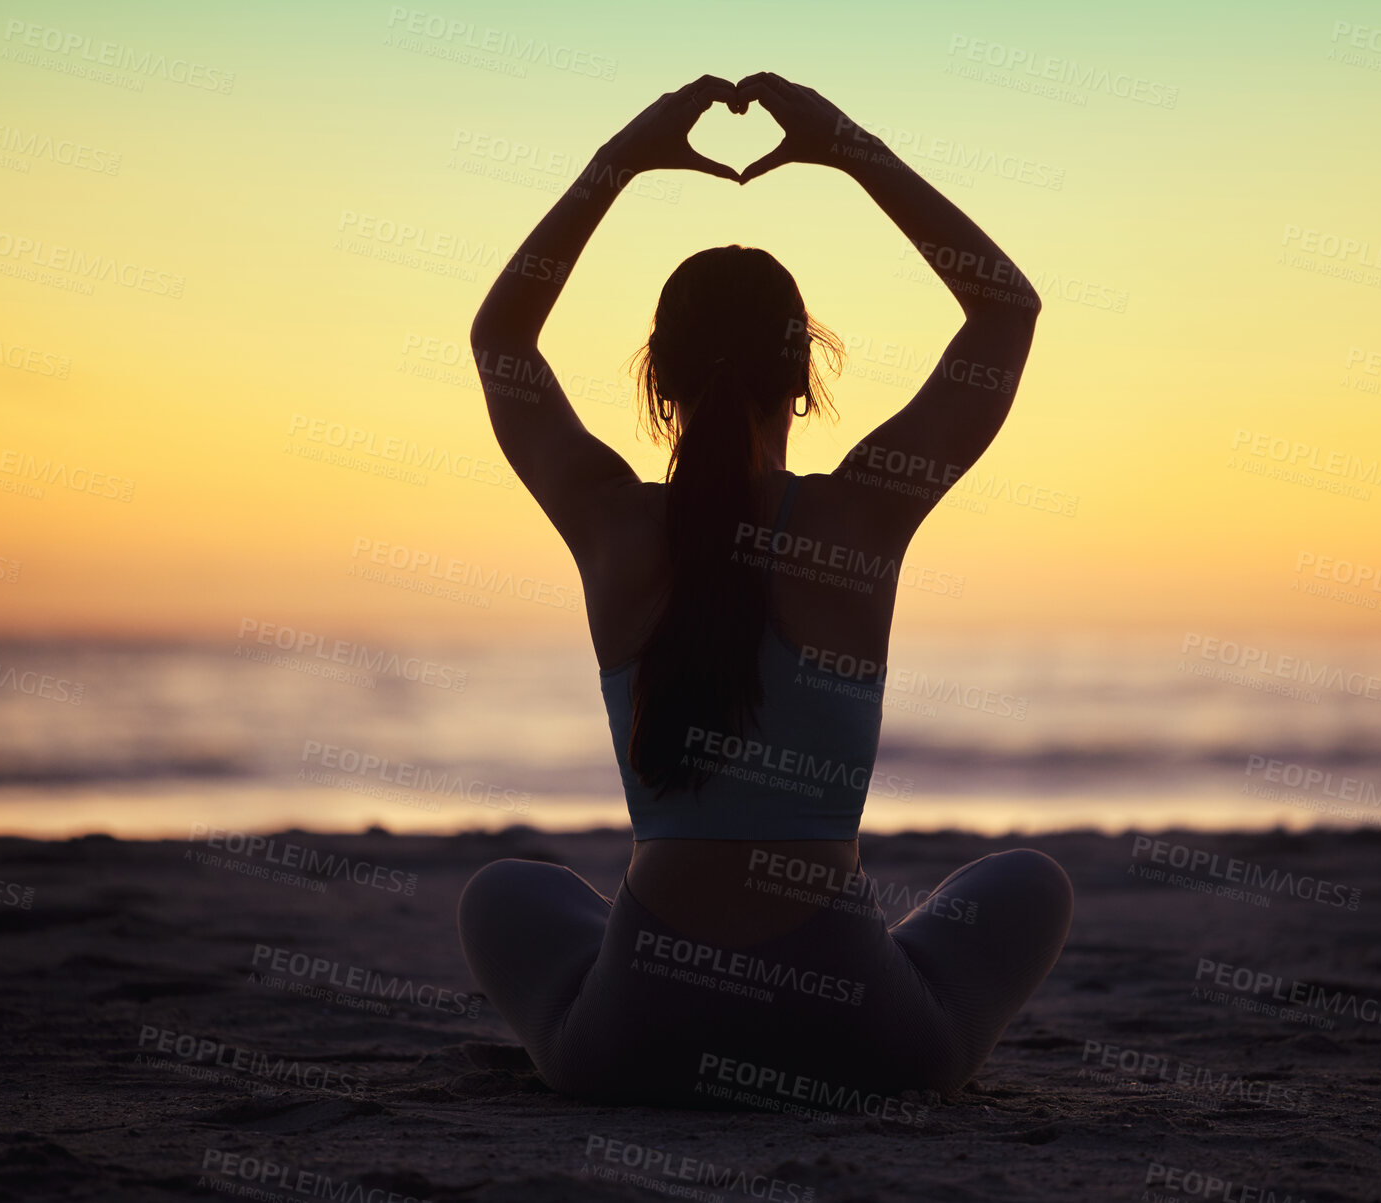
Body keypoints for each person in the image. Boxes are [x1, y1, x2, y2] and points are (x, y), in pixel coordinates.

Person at [457, 72, 1071, 1107]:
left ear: (657, 378)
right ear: (805, 378)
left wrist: (623, 160)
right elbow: (1006, 312)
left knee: (505, 892)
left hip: (633, 1040)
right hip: (858, 1034)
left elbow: (501, 342)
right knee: (1032, 884)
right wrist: (848, 146)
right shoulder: (858, 519)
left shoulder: (610, 523)